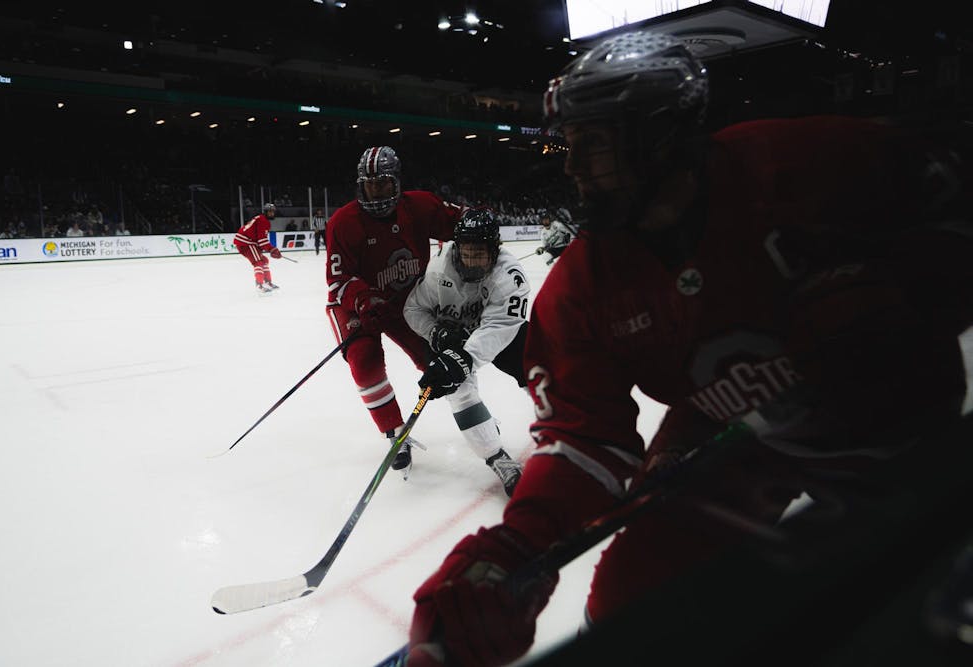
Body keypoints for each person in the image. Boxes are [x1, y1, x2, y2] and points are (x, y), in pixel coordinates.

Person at [406, 30, 973, 666]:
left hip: (896, 418)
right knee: (628, 599)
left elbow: (954, 214)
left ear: (658, 136)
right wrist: (517, 543)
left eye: (590, 144)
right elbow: (583, 437)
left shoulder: (807, 160)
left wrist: (908, 289)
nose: (570, 166)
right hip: (730, 435)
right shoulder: (580, 287)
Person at [325, 146, 463, 477]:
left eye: (383, 183)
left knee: (440, 362)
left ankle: (476, 422)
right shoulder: (343, 222)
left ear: (396, 182)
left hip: (406, 301)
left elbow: (462, 223)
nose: (376, 191)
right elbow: (337, 282)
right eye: (370, 184)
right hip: (358, 306)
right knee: (365, 361)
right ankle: (394, 434)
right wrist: (363, 299)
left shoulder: (420, 206)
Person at [403, 208, 529, 497]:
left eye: (480, 254)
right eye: (467, 253)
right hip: (447, 333)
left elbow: (501, 326)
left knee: (537, 359)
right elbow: (413, 308)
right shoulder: (439, 268)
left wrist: (466, 358)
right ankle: (497, 458)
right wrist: (435, 332)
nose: (471, 262)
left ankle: (562, 425)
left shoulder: (510, 277)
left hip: (490, 332)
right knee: (458, 390)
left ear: (495, 251)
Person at [234, 202, 281, 293]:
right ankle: (259, 285)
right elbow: (262, 240)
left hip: (247, 242)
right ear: (266, 212)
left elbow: (259, 239)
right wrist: (272, 249)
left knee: (264, 261)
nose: (272, 213)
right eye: (270, 212)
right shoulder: (263, 221)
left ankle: (267, 282)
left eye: (273, 212)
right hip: (246, 243)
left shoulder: (261, 218)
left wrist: (269, 249)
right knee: (258, 262)